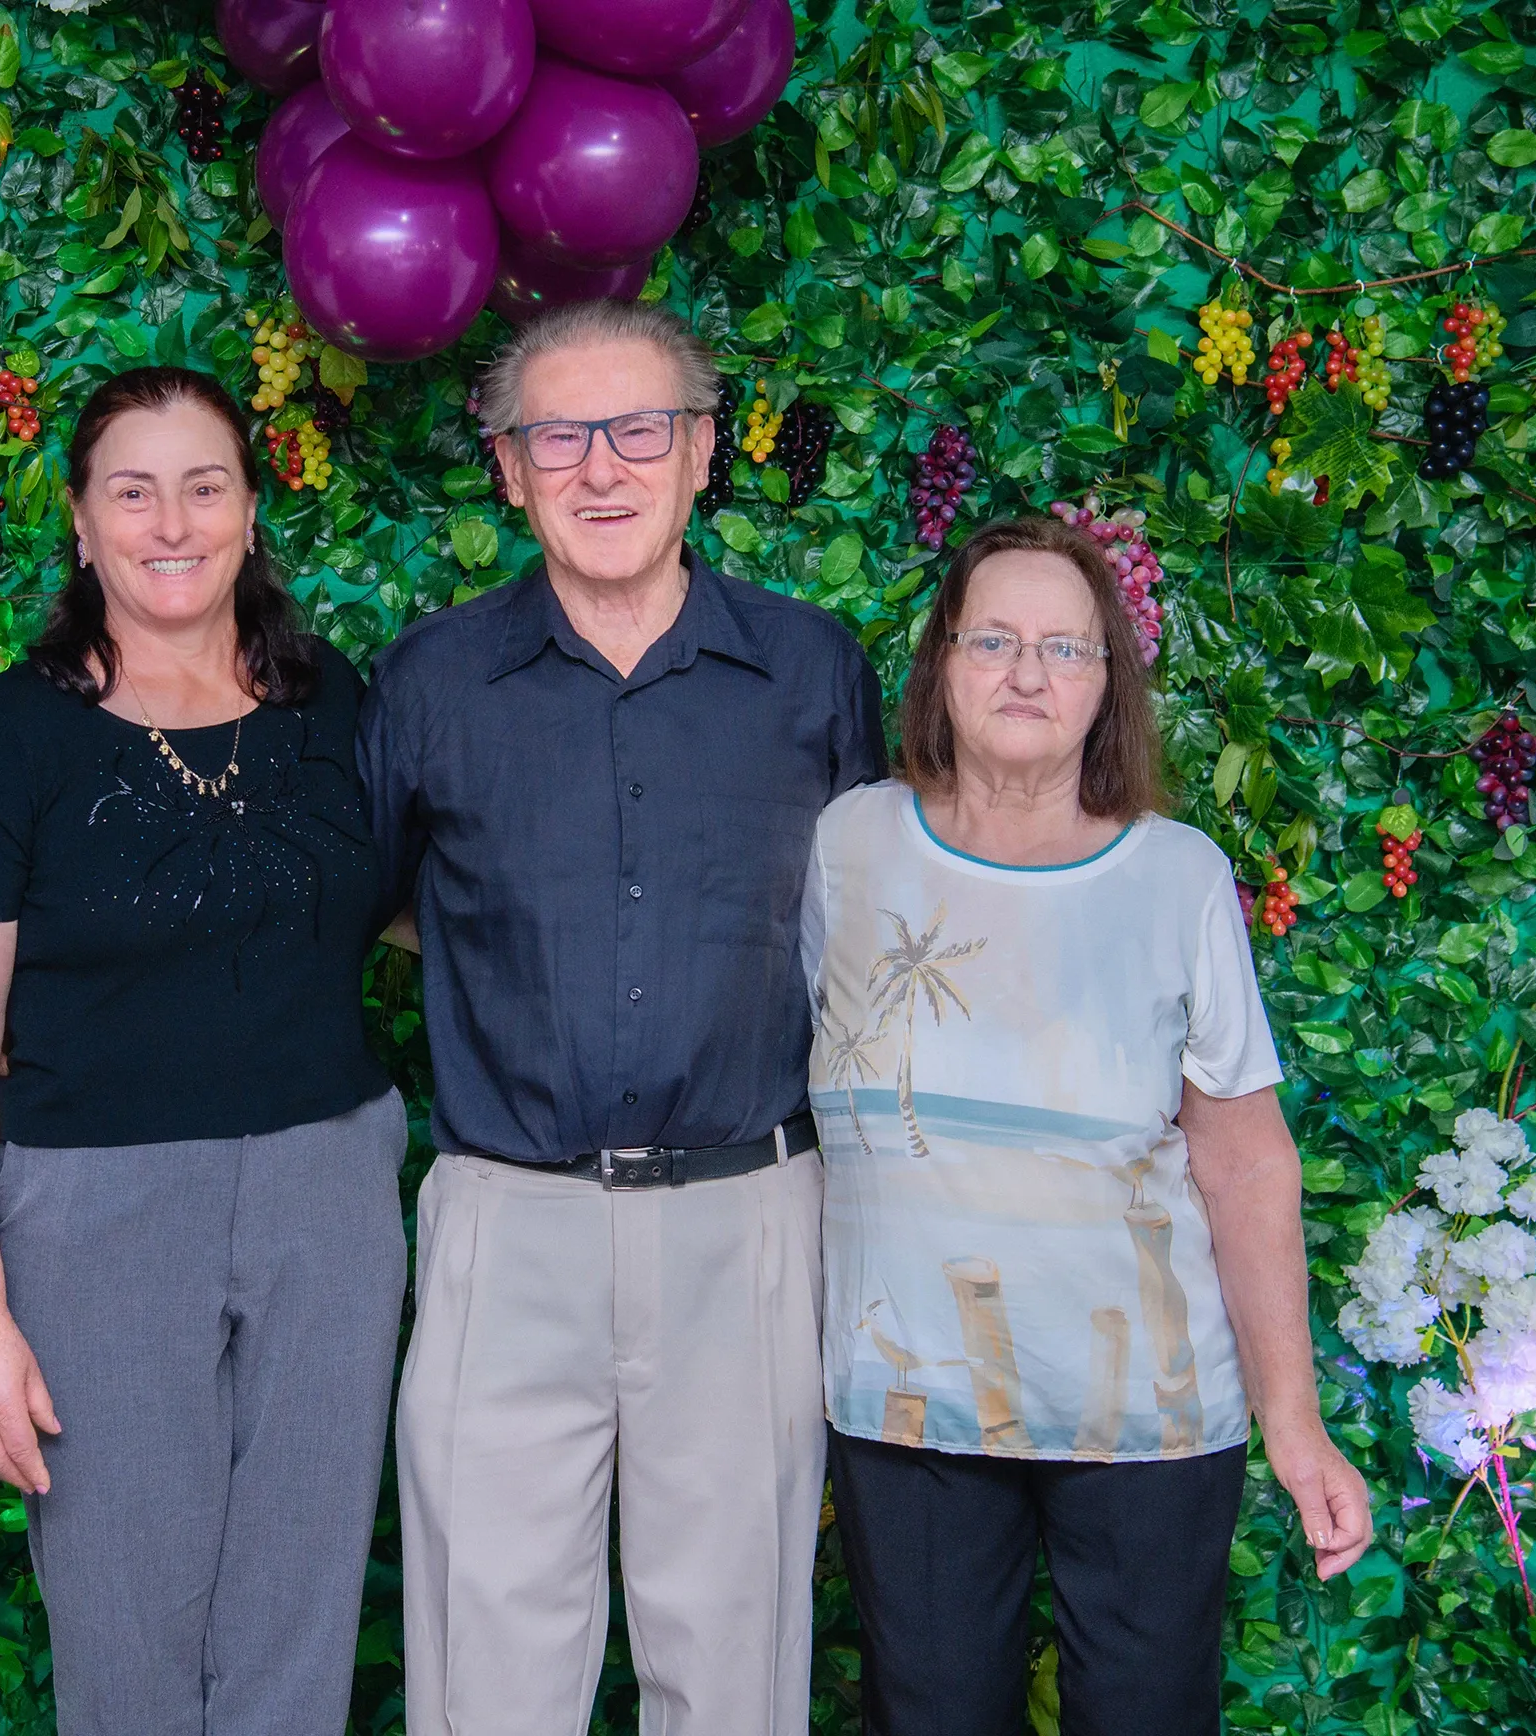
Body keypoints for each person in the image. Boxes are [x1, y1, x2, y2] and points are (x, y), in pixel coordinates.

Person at [361, 299, 885, 1736]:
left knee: (733, 1662)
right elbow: (388, 905)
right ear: (508, 468)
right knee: (486, 1667)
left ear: (701, 453)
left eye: (639, 429)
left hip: (747, 1220)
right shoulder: (431, 680)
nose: (602, 469)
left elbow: (867, 926)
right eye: (557, 436)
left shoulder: (812, 669)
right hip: (503, 1219)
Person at [799, 514, 1373, 1734]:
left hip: (1149, 1416)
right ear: (939, 663)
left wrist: (1296, 1420)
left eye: (1066, 649)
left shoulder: (1176, 875)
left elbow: (1243, 1157)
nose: (1026, 674)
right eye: (993, 638)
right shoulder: (843, 846)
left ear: (1107, 681)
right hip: (909, 1407)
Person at [0, 365, 406, 1736]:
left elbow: (425, 907)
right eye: (133, 491)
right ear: (80, 522)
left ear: (250, 511)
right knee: (127, 1632)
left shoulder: (331, 704)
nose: (169, 523)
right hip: (96, 1211)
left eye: (203, 486)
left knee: (299, 1617)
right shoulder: (11, 738)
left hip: (330, 1193)